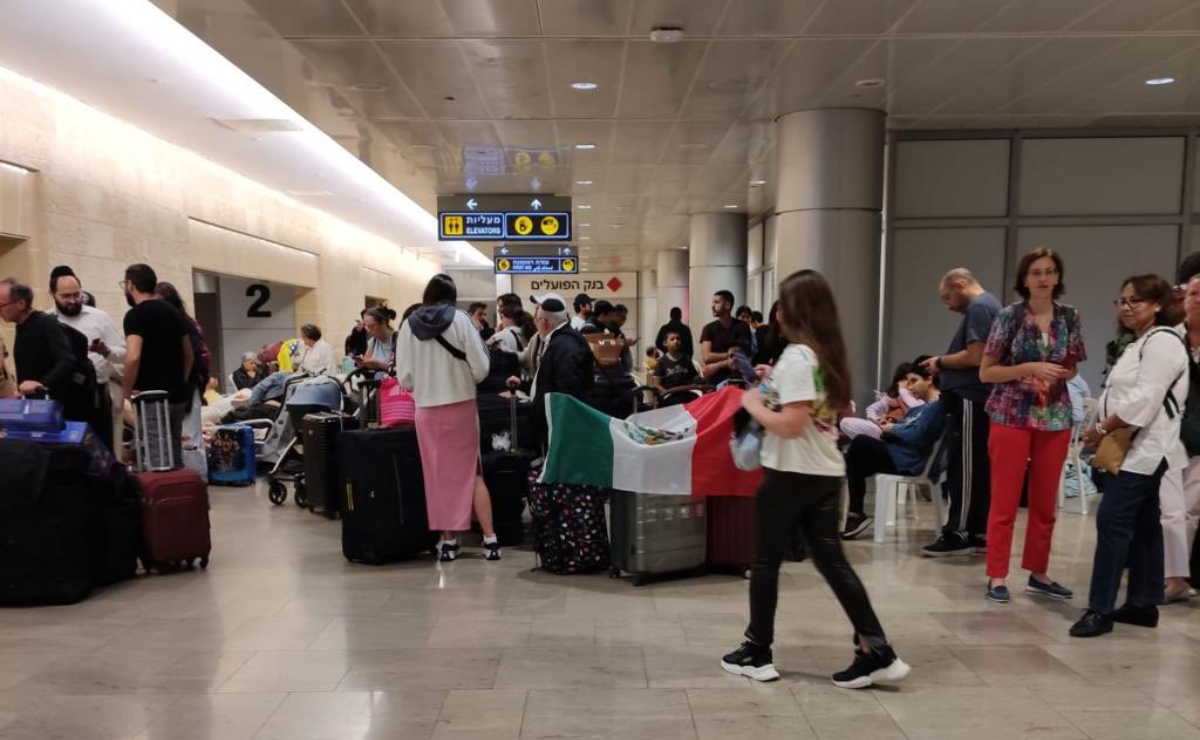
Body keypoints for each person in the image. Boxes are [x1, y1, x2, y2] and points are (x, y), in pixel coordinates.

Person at [720, 270, 909, 689]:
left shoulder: (799, 358)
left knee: (765, 562)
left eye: (783, 304)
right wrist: (775, 383)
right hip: (824, 472)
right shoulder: (826, 355)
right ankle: (875, 649)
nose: (779, 312)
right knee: (833, 563)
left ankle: (757, 650)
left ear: (796, 311)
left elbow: (789, 425)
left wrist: (752, 401)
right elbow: (824, 408)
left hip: (791, 472)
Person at [1071, 275, 1188, 638]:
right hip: (1137, 444)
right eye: (1122, 300)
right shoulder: (1143, 341)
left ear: (1157, 304)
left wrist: (1102, 429)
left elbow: (1144, 399)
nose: (1126, 306)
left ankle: (1100, 609)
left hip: (1143, 447)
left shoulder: (1163, 342)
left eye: (1135, 300)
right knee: (1145, 526)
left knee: (1113, 522)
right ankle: (1143, 602)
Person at [977, 248, 1086, 604]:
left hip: (1055, 415)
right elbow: (987, 371)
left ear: (1058, 277)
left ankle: (1038, 572)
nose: (1043, 278)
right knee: (1005, 500)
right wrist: (1031, 368)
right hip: (1011, 414)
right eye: (1036, 272)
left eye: (1050, 271)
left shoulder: (1070, 317)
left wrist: (1062, 371)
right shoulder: (1009, 316)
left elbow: (1073, 367)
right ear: (1025, 279)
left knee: (1044, 502)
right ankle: (996, 574)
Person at [396, 274, 498, 562]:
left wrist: (425, 387)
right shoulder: (462, 320)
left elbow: (404, 376)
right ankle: (490, 539)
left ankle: (448, 542)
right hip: (461, 406)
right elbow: (480, 367)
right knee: (471, 472)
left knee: (437, 476)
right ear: (451, 296)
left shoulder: (408, 325)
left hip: (426, 410)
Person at [919, 268, 1003, 557]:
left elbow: (976, 356)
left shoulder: (980, 307)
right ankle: (977, 529)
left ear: (960, 284)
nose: (947, 304)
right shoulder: (991, 305)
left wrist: (940, 362)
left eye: (947, 297)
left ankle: (959, 530)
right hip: (976, 398)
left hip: (971, 396)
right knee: (976, 465)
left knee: (965, 467)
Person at [842, 358, 946, 540]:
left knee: (859, 445)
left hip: (910, 461)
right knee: (855, 460)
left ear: (929, 379)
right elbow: (908, 427)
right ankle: (855, 513)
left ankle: (855, 512)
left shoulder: (936, 407)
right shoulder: (924, 408)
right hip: (901, 454)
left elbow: (917, 435)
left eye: (914, 381)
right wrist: (890, 428)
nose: (909, 387)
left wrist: (893, 429)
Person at [0, 277, 104, 435]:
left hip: (57, 410)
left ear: (20, 304)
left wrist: (40, 383)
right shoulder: (22, 327)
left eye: (1, 305)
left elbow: (67, 360)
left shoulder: (45, 323)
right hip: (36, 408)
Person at [121, 264, 193, 464]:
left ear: (131, 285)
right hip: (177, 395)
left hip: (151, 397)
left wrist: (125, 393)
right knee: (174, 448)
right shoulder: (174, 312)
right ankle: (179, 490)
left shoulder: (135, 315)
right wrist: (181, 381)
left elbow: (133, 356)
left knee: (156, 452)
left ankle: (161, 493)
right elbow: (189, 354)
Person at [49, 266, 126, 451]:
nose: (73, 301)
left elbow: (125, 353)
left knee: (103, 454)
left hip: (97, 397)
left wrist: (106, 351)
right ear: (52, 294)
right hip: (63, 399)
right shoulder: (47, 321)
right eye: (66, 296)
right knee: (70, 456)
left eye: (77, 294)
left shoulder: (99, 318)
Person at [1158, 275, 1200, 603]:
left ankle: (1179, 578)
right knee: (1171, 511)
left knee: (1190, 512)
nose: (1198, 299)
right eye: (1194, 293)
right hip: (1170, 435)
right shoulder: (1171, 339)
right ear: (1183, 299)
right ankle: (1173, 576)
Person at [508, 294, 594, 450]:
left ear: (545, 322)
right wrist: (524, 385)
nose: (536, 324)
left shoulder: (565, 346)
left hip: (560, 427)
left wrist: (558, 426)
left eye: (537, 320)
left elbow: (567, 392)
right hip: (556, 422)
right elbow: (549, 381)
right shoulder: (561, 341)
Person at [155, 281, 212, 479]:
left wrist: (194, 385)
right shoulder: (182, 323)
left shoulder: (185, 325)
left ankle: (196, 482)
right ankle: (183, 481)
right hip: (178, 389)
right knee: (178, 438)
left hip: (186, 388)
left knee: (189, 438)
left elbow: (200, 358)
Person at [839, 362, 925, 442]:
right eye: (904, 379)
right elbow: (871, 409)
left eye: (912, 380)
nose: (907, 383)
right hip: (883, 428)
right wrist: (878, 420)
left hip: (899, 432)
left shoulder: (919, 400)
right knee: (845, 422)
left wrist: (902, 394)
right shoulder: (891, 397)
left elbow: (914, 411)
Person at [699, 290, 752, 384]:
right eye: (713, 302)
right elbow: (707, 356)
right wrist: (729, 354)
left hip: (737, 379)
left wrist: (718, 365)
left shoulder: (742, 327)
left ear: (727, 305)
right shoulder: (708, 328)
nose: (712, 305)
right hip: (714, 380)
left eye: (717, 302)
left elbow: (742, 356)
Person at [357, 307, 397, 376]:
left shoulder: (397, 339)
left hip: (393, 385)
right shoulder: (373, 341)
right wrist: (361, 363)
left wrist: (379, 365)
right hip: (377, 384)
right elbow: (366, 362)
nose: (368, 330)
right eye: (367, 326)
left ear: (383, 323)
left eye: (372, 326)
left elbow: (402, 370)